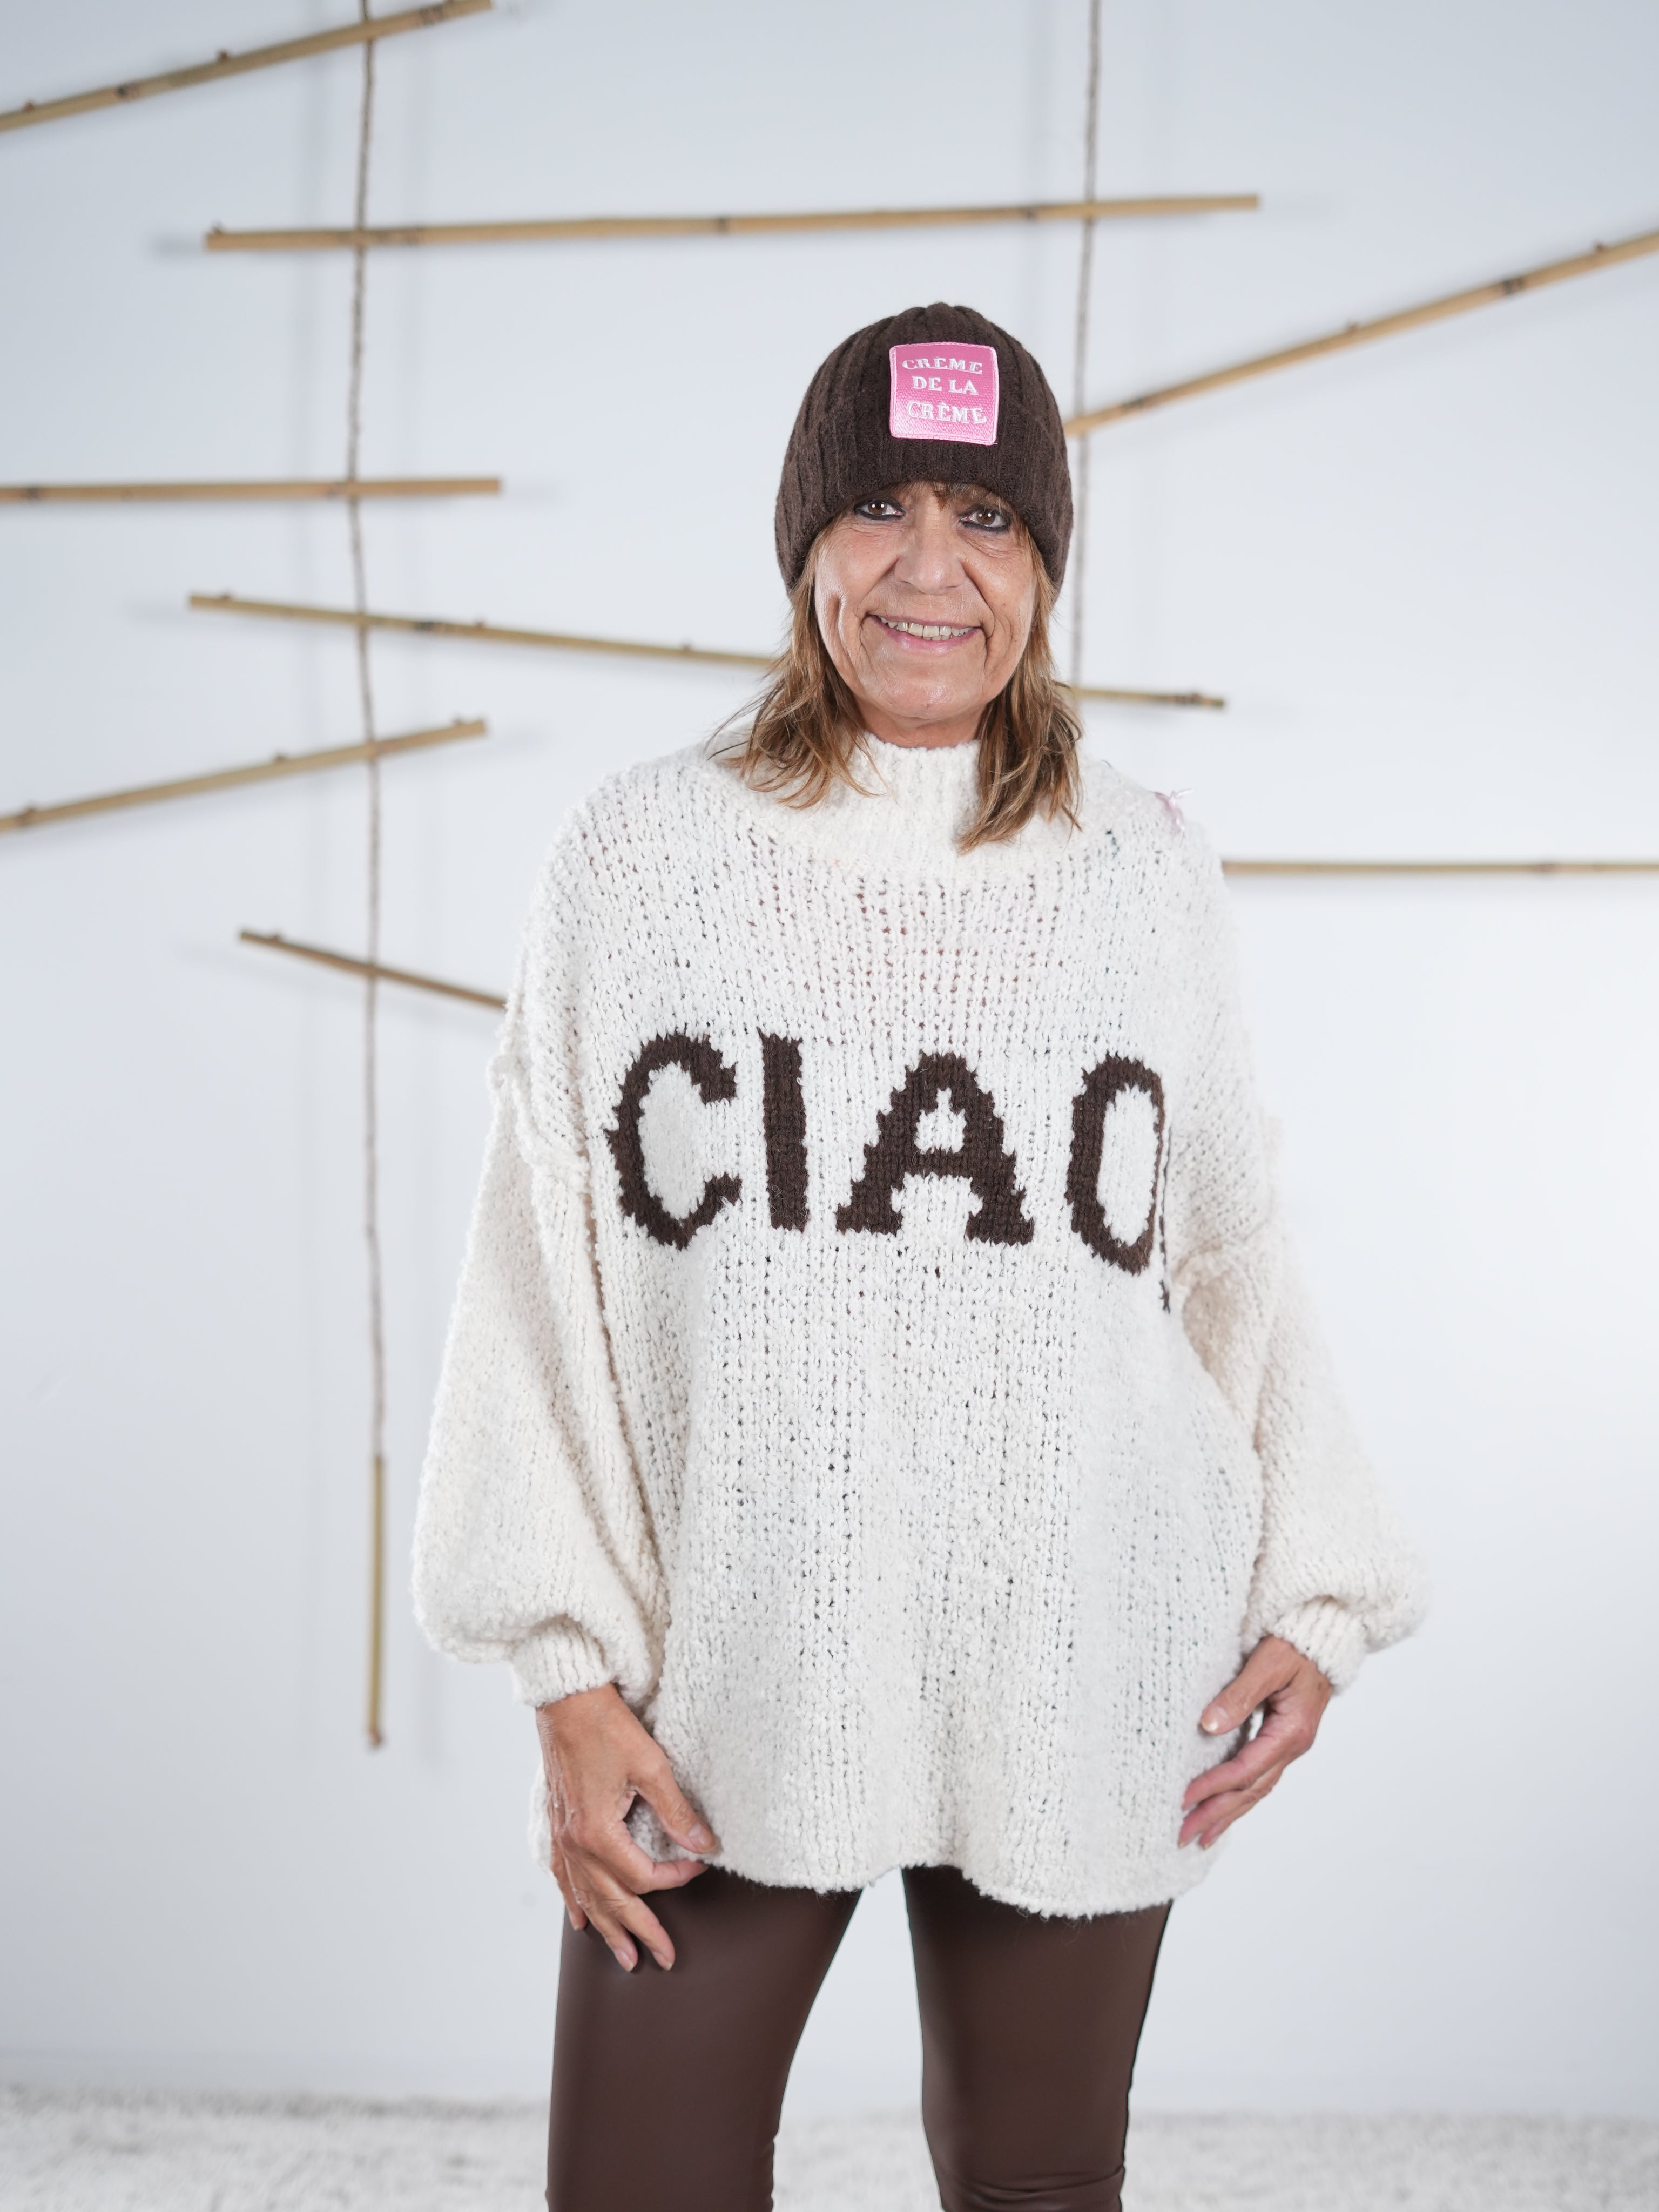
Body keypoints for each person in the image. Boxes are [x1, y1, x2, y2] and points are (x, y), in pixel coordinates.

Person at [413, 302, 1426, 2212]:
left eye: (989, 517)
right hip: (729, 1672)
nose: (931, 568)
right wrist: (564, 1671)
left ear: (1045, 565)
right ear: (807, 545)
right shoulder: (640, 862)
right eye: (880, 507)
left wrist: (1325, 1590)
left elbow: (1229, 1248)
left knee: (1039, 2186)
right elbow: (543, 1269)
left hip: (1082, 1648)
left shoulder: (1144, 871)